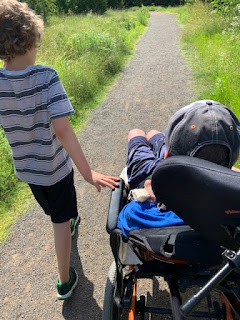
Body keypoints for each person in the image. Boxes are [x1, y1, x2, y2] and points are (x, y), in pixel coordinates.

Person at [0, 0, 119, 300]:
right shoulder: (46, 76)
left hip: (27, 170)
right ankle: (65, 281)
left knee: (56, 209)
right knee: (59, 220)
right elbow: (63, 129)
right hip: (55, 168)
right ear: (30, 38)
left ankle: (68, 219)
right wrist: (89, 172)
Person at [118, 100, 240, 236]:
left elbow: (122, 220)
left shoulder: (139, 213)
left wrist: (151, 199)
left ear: (167, 155)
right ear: (235, 158)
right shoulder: (232, 214)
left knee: (137, 133)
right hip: (174, 166)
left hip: (151, 172)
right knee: (153, 134)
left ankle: (152, 138)